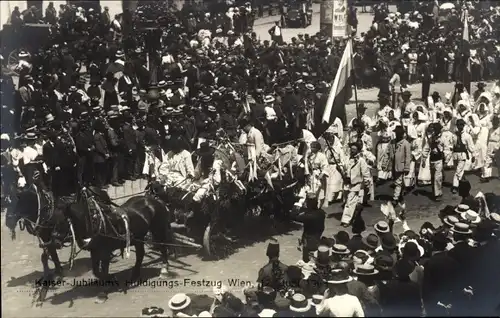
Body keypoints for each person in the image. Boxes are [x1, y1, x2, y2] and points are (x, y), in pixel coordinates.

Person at [340, 142, 371, 227]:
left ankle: (346, 220)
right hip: (347, 183)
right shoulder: (346, 159)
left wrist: (367, 184)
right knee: (347, 201)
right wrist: (340, 169)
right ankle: (355, 216)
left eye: (354, 150)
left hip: (356, 184)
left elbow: (366, 173)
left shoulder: (361, 161)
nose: (352, 151)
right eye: (351, 149)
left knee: (350, 202)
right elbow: (344, 168)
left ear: (357, 151)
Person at [291, 192, 326, 262]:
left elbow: (293, 216)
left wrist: (297, 206)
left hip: (309, 239)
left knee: (307, 259)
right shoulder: (321, 212)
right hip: (317, 237)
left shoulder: (308, 216)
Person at [421, 123, 445, 201]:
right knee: (433, 177)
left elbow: (446, 148)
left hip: (439, 159)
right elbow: (426, 148)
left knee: (437, 177)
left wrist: (446, 159)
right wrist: (424, 159)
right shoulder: (431, 138)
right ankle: (435, 192)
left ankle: (438, 194)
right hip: (432, 159)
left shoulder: (442, 138)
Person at [451, 119, 475, 194]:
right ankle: (462, 183)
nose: (460, 126)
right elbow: (451, 145)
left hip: (462, 155)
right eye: (458, 125)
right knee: (457, 170)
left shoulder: (467, 136)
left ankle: (455, 186)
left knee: (458, 171)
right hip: (455, 155)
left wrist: (473, 155)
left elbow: (471, 146)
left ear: (464, 126)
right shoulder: (454, 135)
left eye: (461, 125)